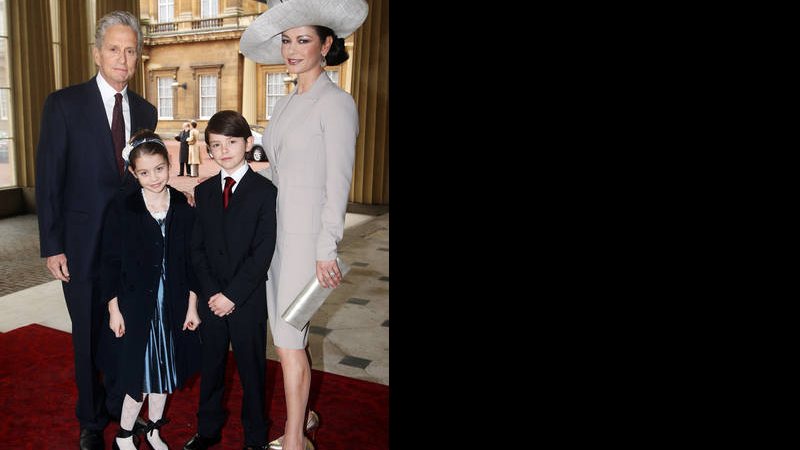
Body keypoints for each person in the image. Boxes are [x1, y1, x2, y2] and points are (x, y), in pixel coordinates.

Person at [239, 1, 368, 449]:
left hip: (304, 243)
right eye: (287, 39)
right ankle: (306, 413)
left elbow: (338, 183)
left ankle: (294, 439)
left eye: (304, 40)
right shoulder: (288, 100)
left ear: (327, 44)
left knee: (290, 340)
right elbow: (279, 170)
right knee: (289, 335)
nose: (292, 49)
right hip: (274, 237)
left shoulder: (336, 103)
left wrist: (326, 248)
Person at [35, 10, 158, 450]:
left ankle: (117, 407)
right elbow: (49, 180)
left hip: (128, 249)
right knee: (87, 334)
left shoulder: (146, 110)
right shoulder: (64, 104)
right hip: (81, 247)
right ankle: (90, 419)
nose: (122, 58)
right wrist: (53, 245)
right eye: (114, 49)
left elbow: (147, 180)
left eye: (130, 50)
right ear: (96, 53)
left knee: (123, 333)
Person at [99, 130, 203, 450]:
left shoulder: (184, 209)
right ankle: (125, 434)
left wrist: (192, 306)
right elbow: (110, 261)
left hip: (171, 305)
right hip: (135, 308)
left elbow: (191, 262)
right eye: (143, 172)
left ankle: (155, 430)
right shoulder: (123, 207)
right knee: (138, 375)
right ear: (133, 173)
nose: (153, 177)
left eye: (159, 168)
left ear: (169, 163)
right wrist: (114, 310)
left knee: (165, 373)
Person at [184, 110, 277, 450]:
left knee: (252, 371)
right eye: (215, 145)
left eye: (232, 142)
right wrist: (212, 293)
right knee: (211, 367)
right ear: (208, 150)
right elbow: (197, 249)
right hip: (212, 299)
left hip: (246, 300)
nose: (223, 151)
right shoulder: (205, 190)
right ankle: (208, 428)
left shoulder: (264, 192)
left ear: (248, 143)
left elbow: (262, 252)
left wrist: (232, 296)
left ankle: (255, 437)